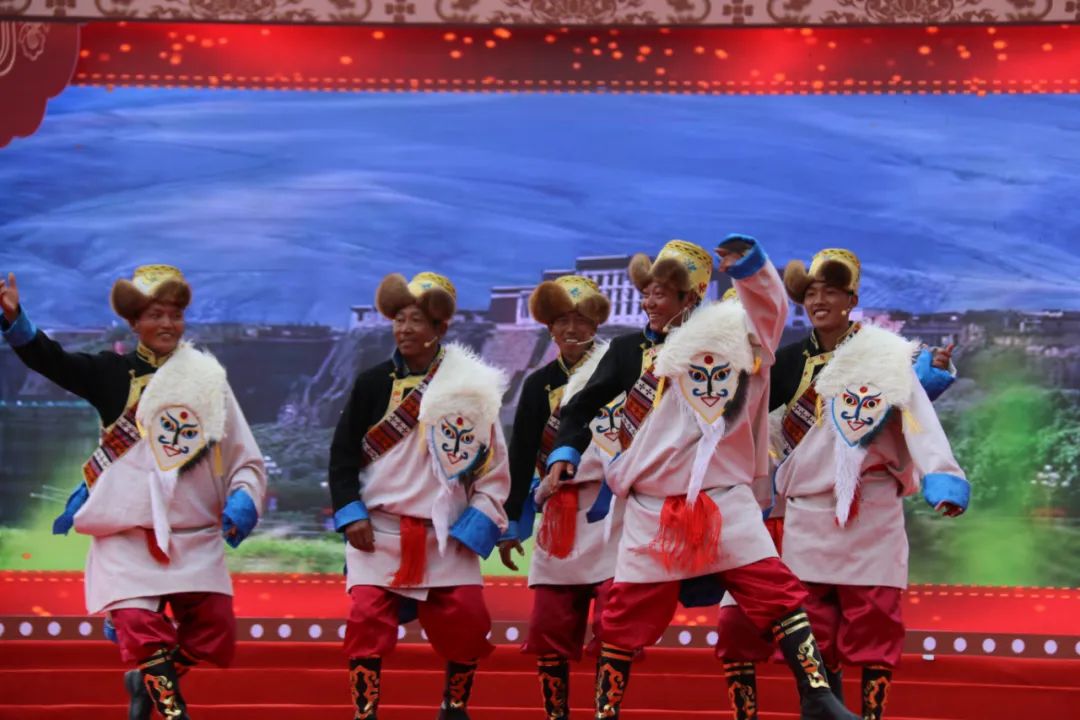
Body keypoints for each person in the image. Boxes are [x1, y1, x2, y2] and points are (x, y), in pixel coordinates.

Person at [542, 238, 858, 720]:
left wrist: (750, 269)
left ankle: (817, 696)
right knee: (623, 617)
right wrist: (565, 450)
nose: (649, 303)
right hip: (652, 506)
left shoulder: (732, 342)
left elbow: (770, 308)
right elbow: (581, 405)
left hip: (722, 498)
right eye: (646, 293)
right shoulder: (628, 351)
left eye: (661, 293)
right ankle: (605, 714)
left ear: (690, 297)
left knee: (776, 592)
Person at [1, 267, 266, 720]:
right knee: (141, 628)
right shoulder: (109, 372)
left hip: (191, 534)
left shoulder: (208, 380)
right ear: (134, 322)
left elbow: (245, 455)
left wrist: (244, 497)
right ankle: (172, 711)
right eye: (156, 315)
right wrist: (13, 319)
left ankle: (146, 680)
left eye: (175, 315)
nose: (167, 324)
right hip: (125, 532)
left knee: (215, 632)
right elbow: (52, 360)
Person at [716, 249, 969, 719]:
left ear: (851, 299)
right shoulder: (785, 361)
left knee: (876, 623)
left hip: (871, 507)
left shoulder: (886, 355)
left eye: (831, 292)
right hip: (805, 512)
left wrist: (941, 476)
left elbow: (915, 415)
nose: (819, 301)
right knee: (813, 627)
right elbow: (756, 424)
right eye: (811, 293)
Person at [328, 271, 511, 720]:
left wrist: (478, 521)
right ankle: (365, 712)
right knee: (366, 621)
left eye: (416, 320)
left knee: (468, 623)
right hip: (381, 532)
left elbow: (492, 467)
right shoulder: (372, 383)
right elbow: (343, 455)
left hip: (445, 535)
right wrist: (352, 514)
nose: (404, 329)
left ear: (440, 327)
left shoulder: (471, 389)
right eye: (399, 319)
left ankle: (454, 707)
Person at [499, 275, 622, 719]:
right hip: (557, 512)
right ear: (549, 327)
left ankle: (607, 712)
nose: (571, 329)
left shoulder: (619, 371)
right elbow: (521, 454)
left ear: (596, 324)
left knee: (614, 628)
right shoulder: (538, 384)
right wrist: (512, 524)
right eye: (562, 321)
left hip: (609, 512)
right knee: (551, 627)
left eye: (581, 320)